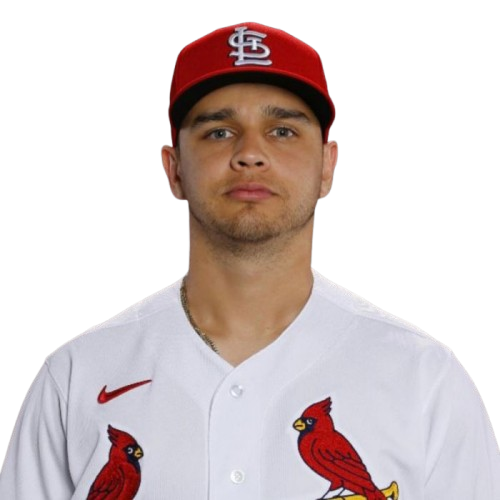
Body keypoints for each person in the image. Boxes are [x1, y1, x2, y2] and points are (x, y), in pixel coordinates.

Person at [1, 21, 498, 500]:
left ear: (327, 166)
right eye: (219, 132)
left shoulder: (425, 379)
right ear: (174, 170)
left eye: (282, 130)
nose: (250, 154)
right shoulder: (77, 376)